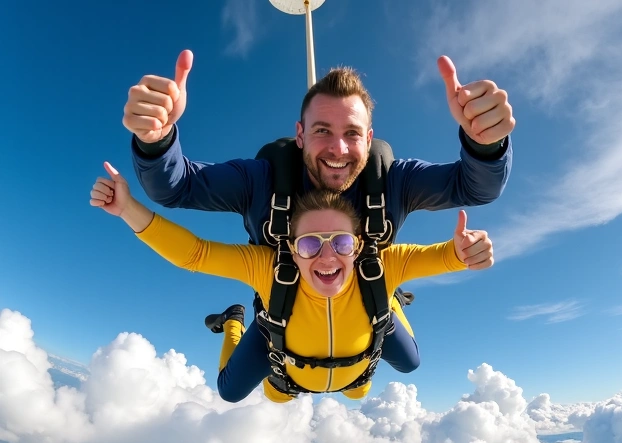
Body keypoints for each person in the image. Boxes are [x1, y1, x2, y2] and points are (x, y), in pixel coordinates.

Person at [121, 49, 511, 376]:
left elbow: (475, 186)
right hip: (284, 306)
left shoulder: (392, 181)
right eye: (323, 130)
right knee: (232, 390)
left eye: (352, 133)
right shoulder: (262, 181)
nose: (338, 149)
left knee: (409, 363)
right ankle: (234, 321)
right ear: (300, 135)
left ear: (369, 138)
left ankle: (389, 294)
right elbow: (178, 186)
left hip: (364, 296)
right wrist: (157, 142)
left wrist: (485, 146)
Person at [89, 161, 489, 403]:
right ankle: (233, 319)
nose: (327, 256)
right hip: (285, 357)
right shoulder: (268, 268)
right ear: (292, 249)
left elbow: (448, 255)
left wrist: (466, 251)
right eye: (310, 243)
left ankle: (390, 303)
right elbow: (193, 253)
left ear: (360, 244)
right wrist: (128, 209)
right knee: (243, 392)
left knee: (407, 365)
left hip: (360, 357)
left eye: (342, 242)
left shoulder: (382, 263)